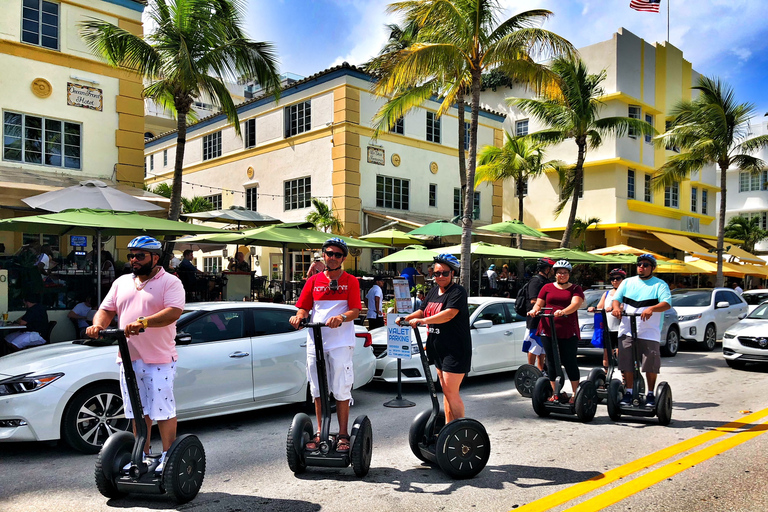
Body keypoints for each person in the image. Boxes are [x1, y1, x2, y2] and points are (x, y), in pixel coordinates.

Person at [86, 236, 185, 473]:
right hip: (129, 358)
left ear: (155, 258)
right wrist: (98, 325)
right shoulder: (121, 282)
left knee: (163, 409)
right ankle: (141, 454)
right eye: (131, 255)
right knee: (137, 412)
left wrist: (145, 322)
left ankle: (167, 457)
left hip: (159, 358)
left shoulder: (170, 282)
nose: (134, 260)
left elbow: (174, 312)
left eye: (140, 256)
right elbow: (106, 309)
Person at [289, 238, 361, 453]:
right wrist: (298, 316)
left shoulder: (351, 281)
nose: (332, 257)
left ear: (343, 258)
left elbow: (356, 310)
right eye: (329, 253)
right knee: (318, 389)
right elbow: (303, 307)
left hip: (340, 342)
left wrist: (341, 316)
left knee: (340, 388)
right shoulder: (313, 281)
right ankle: (321, 431)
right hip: (316, 340)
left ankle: (343, 434)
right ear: (323, 255)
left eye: (337, 255)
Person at [398, 254, 470, 423]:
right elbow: (422, 311)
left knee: (451, 392)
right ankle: (448, 427)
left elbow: (449, 314)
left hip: (455, 349)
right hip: (437, 348)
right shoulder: (432, 292)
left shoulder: (457, 292)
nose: (440, 277)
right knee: (445, 391)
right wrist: (407, 318)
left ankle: (460, 429)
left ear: (453, 273)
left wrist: (423, 321)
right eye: (437, 273)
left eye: (445, 273)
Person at [611, 254, 672, 407]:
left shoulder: (659, 285)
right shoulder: (627, 282)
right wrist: (616, 308)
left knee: (650, 364)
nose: (641, 267)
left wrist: (652, 308)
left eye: (645, 265)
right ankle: (629, 392)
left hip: (649, 331)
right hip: (627, 329)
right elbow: (616, 299)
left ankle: (650, 394)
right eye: (640, 264)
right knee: (627, 363)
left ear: (652, 268)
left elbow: (666, 303)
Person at [528, 260, 584, 403]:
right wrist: (535, 311)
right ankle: (555, 393)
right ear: (555, 274)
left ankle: (575, 393)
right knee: (551, 362)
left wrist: (563, 311)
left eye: (565, 273)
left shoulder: (575, 289)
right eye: (559, 272)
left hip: (567, 330)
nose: (562, 275)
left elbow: (575, 303)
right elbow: (539, 303)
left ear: (569, 274)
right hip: (547, 329)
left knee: (569, 361)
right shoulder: (547, 287)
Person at [588, 268, 626, 368]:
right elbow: (600, 307)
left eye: (618, 278)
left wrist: (616, 308)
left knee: (620, 353)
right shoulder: (607, 293)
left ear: (623, 280)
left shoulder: (626, 293)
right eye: (612, 279)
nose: (615, 281)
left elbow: (627, 307)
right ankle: (606, 377)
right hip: (608, 328)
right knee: (606, 353)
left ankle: (624, 378)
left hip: (621, 328)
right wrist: (593, 308)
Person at [523, 258, 555, 371]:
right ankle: (530, 370)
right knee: (533, 346)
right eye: (552, 269)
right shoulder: (536, 281)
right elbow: (533, 300)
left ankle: (540, 370)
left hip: (545, 319)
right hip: (534, 320)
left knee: (542, 349)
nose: (553, 271)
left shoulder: (547, 282)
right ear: (547, 269)